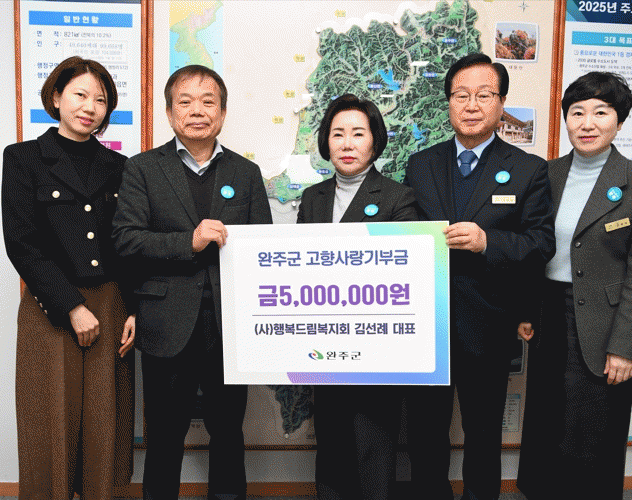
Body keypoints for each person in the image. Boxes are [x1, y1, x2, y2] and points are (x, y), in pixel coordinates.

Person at [112, 65, 272, 500]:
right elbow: (126, 240)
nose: (197, 111)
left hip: (229, 326)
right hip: (166, 322)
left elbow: (261, 249)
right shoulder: (143, 169)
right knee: (165, 434)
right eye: (185, 102)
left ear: (222, 112)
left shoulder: (245, 172)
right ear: (169, 113)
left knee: (228, 431)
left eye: (208, 101)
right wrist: (190, 241)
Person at [404, 53, 555, 500]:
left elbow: (540, 244)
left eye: (484, 95)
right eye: (461, 95)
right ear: (449, 102)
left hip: (488, 323)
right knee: (424, 430)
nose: (471, 105)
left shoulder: (528, 169)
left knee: (484, 430)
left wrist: (488, 241)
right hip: (425, 323)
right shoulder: (420, 163)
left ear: (501, 103)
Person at [517, 72, 632, 500]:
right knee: (546, 423)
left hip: (606, 325)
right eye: (577, 112)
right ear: (566, 119)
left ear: (619, 121)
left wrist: (625, 345)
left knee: (593, 432)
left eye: (601, 113)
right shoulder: (546, 175)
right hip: (548, 315)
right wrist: (526, 309)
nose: (587, 123)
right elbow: (532, 248)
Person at [2, 56, 135, 500]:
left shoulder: (120, 166)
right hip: (51, 306)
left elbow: (126, 243)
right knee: (49, 421)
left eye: (101, 99)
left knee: (104, 421)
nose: (90, 107)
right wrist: (72, 306)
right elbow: (21, 242)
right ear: (57, 97)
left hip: (111, 304)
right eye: (80, 95)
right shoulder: (22, 158)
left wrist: (134, 309)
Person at [297, 93, 418, 500]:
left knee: (372, 444)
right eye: (338, 134)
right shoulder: (313, 198)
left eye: (358, 133)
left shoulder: (399, 198)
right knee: (331, 441)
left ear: (375, 140)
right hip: (325, 342)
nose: (347, 144)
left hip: (376, 345)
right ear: (326, 142)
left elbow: (405, 272)